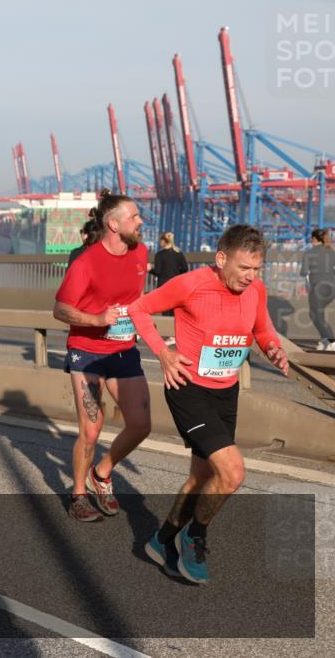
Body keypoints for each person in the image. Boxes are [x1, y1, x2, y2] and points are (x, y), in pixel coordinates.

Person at [128, 224, 288, 584]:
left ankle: (161, 539)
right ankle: (194, 535)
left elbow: (262, 329)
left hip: (225, 392)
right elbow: (138, 309)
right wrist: (164, 353)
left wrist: (272, 347)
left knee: (202, 477)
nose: (250, 277)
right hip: (188, 388)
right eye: (243, 268)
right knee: (232, 473)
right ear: (221, 259)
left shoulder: (255, 290)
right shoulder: (192, 283)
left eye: (256, 270)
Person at [53, 188, 151, 522]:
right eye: (134, 217)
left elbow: (137, 300)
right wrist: (97, 320)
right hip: (88, 352)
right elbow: (60, 308)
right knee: (91, 430)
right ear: (113, 224)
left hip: (124, 350)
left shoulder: (141, 254)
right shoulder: (86, 262)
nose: (141, 221)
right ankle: (78, 494)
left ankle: (103, 472)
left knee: (140, 425)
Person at [301, 229, 335, 351]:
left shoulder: (309, 253)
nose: (310, 240)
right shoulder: (332, 252)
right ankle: (325, 340)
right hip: (332, 288)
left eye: (311, 238)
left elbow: (304, 273)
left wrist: (306, 286)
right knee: (319, 313)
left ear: (315, 239)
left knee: (315, 314)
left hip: (318, 288)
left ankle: (331, 340)